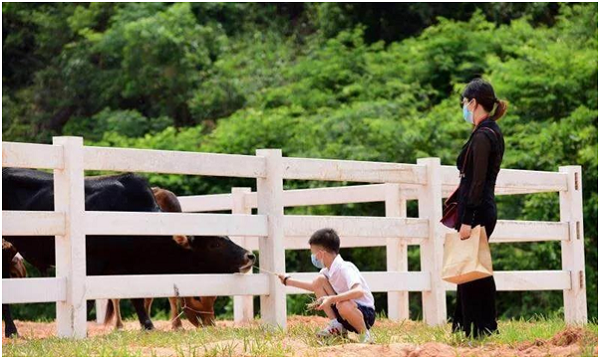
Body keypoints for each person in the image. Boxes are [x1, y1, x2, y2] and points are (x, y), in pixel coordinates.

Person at [453, 78, 507, 337]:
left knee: (472, 269)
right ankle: (476, 326)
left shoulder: (485, 135)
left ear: (473, 103)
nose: (463, 107)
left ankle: (480, 327)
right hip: (481, 207)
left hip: (477, 210)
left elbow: (477, 180)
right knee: (473, 267)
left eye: (465, 102)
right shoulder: (490, 131)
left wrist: (467, 218)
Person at [277, 228, 376, 343]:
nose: (313, 257)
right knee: (319, 281)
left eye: (313, 253)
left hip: (365, 314)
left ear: (320, 254)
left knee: (342, 304)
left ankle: (365, 335)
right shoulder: (327, 271)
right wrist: (288, 281)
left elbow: (358, 291)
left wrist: (332, 298)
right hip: (344, 311)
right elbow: (314, 286)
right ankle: (337, 325)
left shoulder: (345, 268)